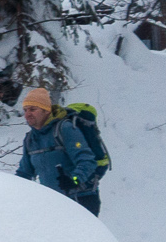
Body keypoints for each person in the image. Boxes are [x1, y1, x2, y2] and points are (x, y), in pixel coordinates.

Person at [15, 86, 101, 216]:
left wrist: (74, 180)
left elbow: (87, 161)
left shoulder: (65, 129)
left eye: (33, 109)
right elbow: (24, 173)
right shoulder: (30, 139)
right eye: (25, 110)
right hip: (54, 202)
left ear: (46, 111)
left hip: (81, 199)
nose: (27, 114)